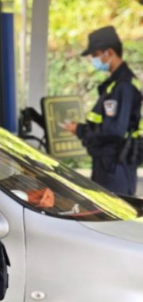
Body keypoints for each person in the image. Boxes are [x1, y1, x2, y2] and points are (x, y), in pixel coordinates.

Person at [62, 26, 141, 196]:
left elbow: (114, 130)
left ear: (109, 52)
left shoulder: (123, 86)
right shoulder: (114, 85)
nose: (93, 59)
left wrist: (80, 130)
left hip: (116, 168)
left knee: (113, 211)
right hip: (108, 164)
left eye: (96, 54)